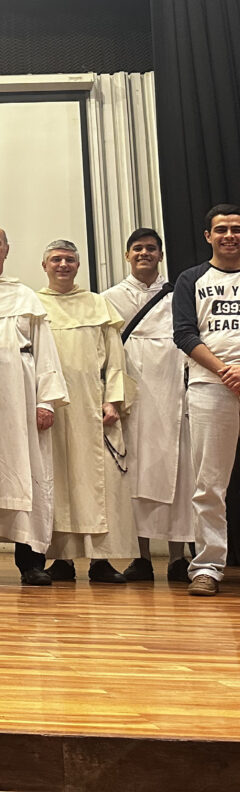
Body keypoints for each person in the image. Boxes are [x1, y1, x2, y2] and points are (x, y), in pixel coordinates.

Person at [0, 224, 68, 586]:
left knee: (29, 472)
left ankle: (31, 562)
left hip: (21, 398)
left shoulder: (25, 296)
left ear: (7, 250)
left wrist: (47, 401)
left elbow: (45, 351)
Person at [36, 239, 134, 584]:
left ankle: (101, 561)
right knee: (58, 483)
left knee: (100, 484)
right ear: (44, 266)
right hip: (53, 408)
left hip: (94, 406)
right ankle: (61, 559)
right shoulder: (34, 304)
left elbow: (115, 359)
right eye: (56, 259)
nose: (63, 265)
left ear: (78, 265)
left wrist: (113, 400)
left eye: (69, 259)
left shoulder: (97, 303)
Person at [104, 227, 193, 584]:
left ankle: (178, 558)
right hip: (132, 400)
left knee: (180, 475)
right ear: (127, 255)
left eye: (151, 248)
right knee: (134, 477)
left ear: (160, 255)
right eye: (138, 248)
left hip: (174, 396)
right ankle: (140, 558)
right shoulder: (109, 298)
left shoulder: (179, 295)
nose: (144, 253)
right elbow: (105, 351)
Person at [173, 204, 240, 596]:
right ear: (208, 236)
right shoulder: (191, 279)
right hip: (210, 386)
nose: (229, 235)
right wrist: (226, 371)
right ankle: (208, 567)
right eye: (222, 229)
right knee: (209, 484)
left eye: (236, 229)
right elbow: (184, 333)